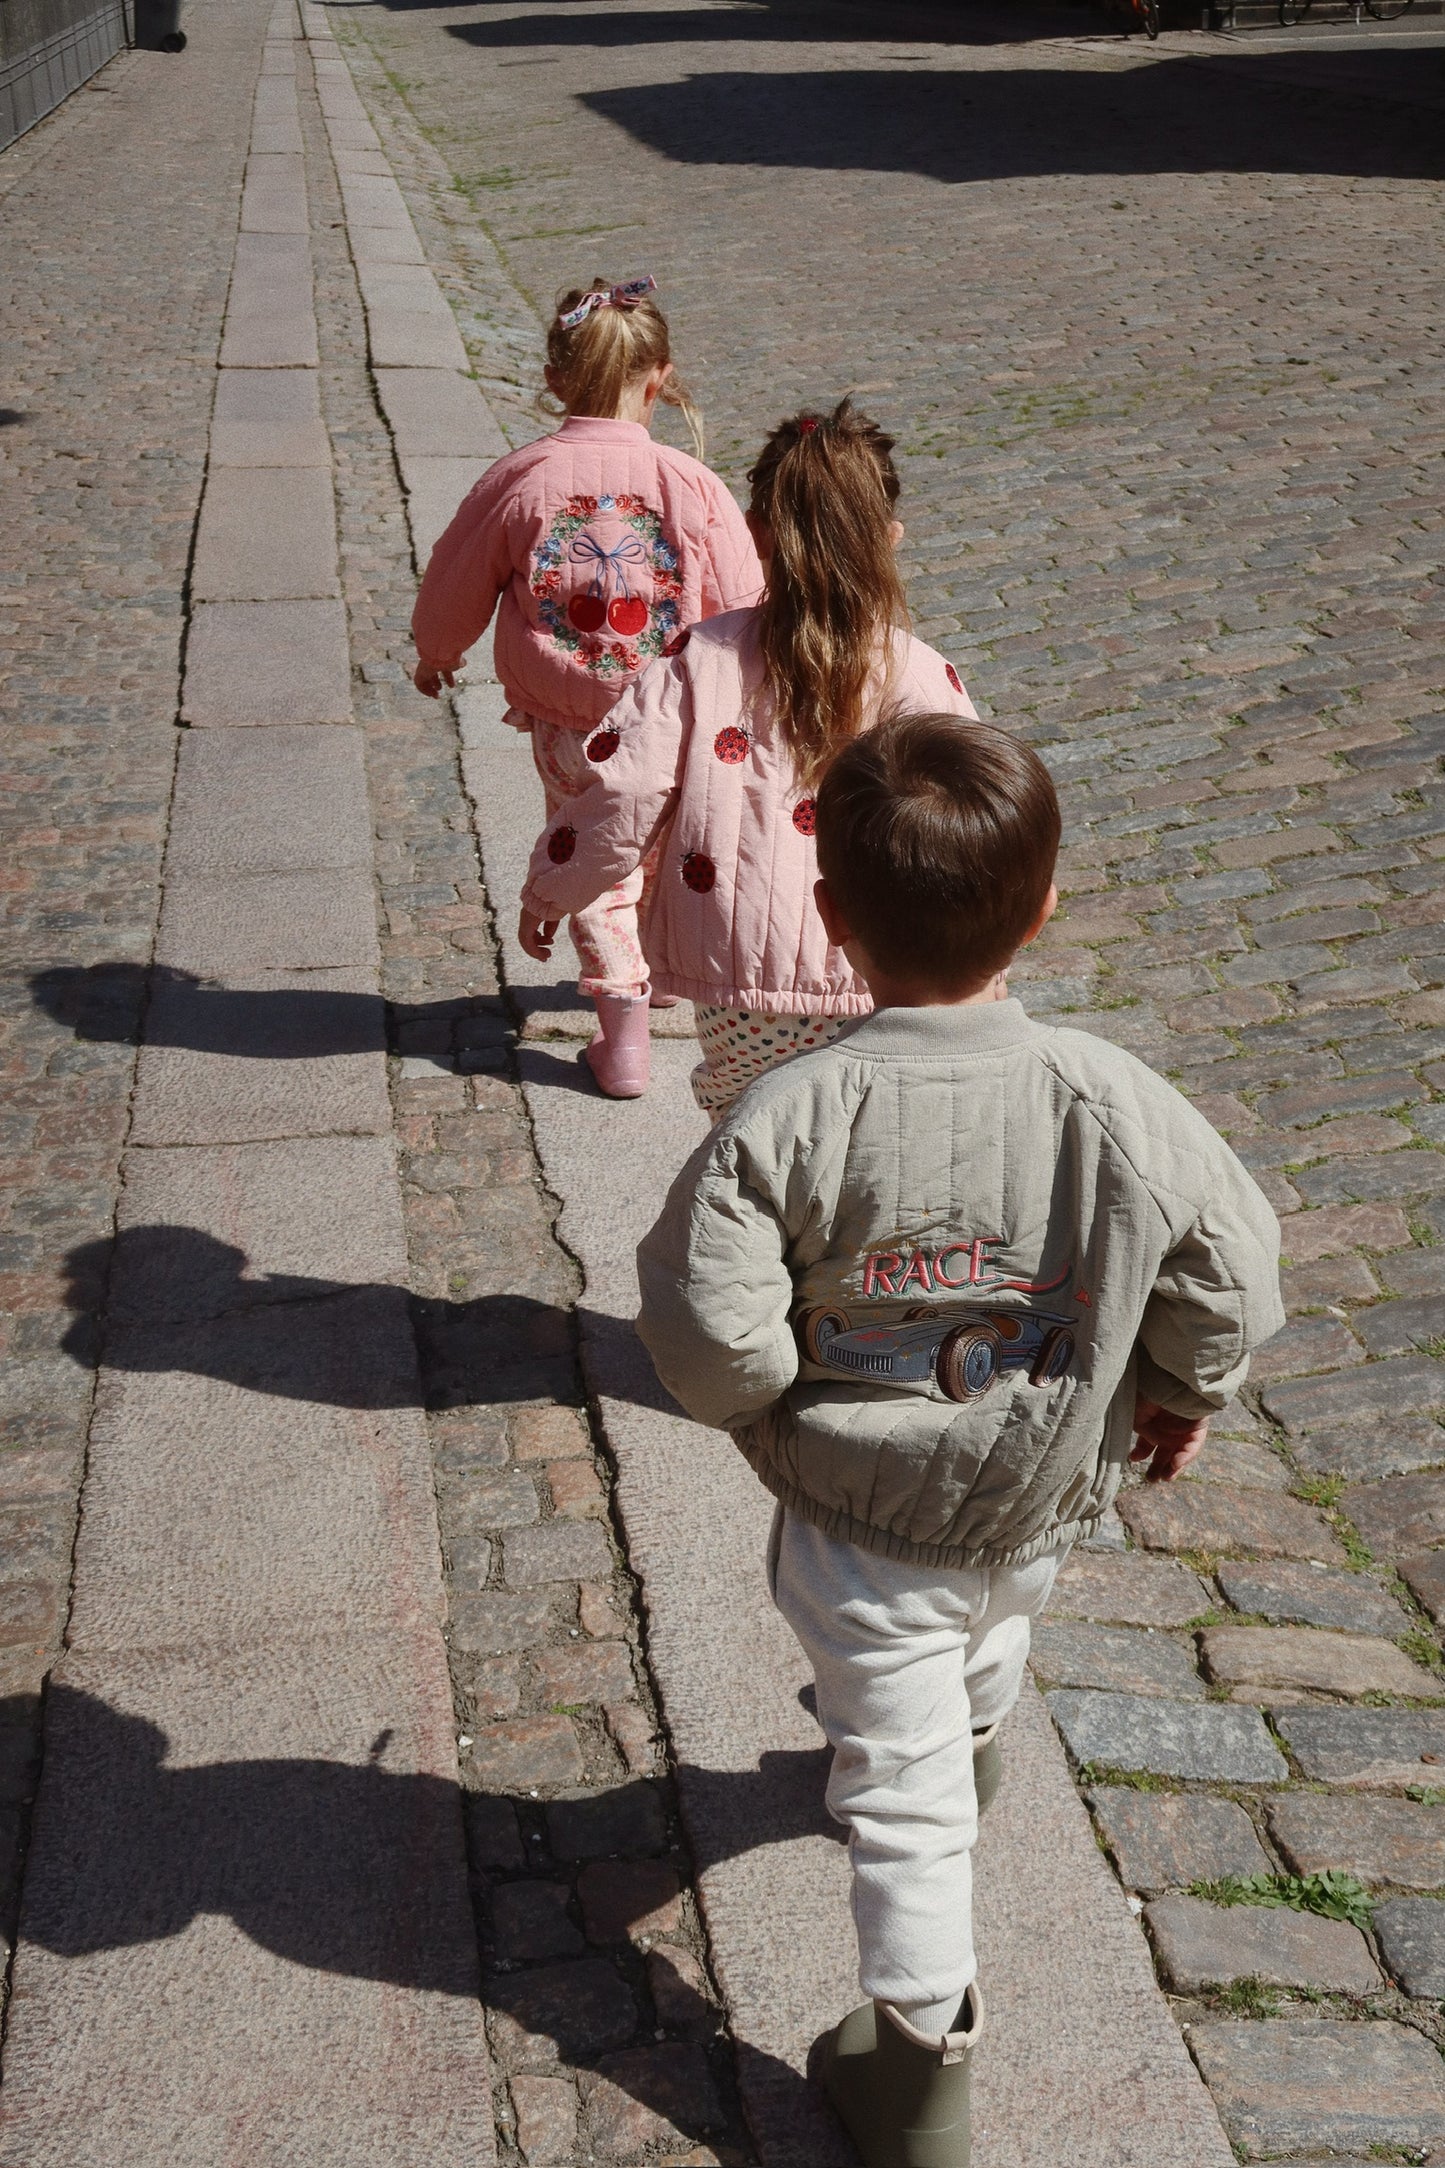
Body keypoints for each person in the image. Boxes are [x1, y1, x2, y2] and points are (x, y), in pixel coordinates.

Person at [634, 713, 1284, 2168]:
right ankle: (975, 1738)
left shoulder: (783, 1116)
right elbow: (1229, 1271)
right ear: (1043, 907)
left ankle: (922, 2059)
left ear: (830, 917)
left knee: (904, 1803)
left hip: (862, 1521)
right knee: (991, 1632)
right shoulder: (1119, 1100)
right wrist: (1179, 1393)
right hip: (1037, 1495)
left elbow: (707, 1331)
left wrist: (762, 1397)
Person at [518, 400, 975, 1117]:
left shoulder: (699, 659)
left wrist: (553, 887)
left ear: (756, 533)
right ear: (890, 538)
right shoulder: (921, 674)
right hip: (883, 976)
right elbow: (972, 827)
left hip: (734, 978)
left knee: (747, 1143)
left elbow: (622, 789)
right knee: (863, 1140)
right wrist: (984, 966)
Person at [411, 274, 761, 1097]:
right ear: (659, 376)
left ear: (554, 379)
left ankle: (624, 1033)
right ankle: (667, 975)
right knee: (668, 843)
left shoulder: (521, 479)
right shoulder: (692, 485)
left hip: (568, 719)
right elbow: (743, 600)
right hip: (673, 716)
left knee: (593, 852)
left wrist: (437, 653)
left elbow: (454, 580)